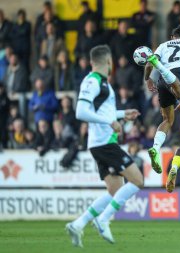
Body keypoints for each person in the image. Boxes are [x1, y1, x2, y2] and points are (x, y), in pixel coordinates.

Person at [65, 45, 142, 247]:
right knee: (137, 180)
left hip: (102, 143)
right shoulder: (93, 81)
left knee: (115, 189)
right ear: (109, 62)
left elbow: (102, 111)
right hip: (104, 143)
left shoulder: (103, 83)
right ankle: (103, 219)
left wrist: (122, 114)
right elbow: (80, 112)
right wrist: (109, 122)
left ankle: (78, 224)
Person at [144, 25, 180, 174]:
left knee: (168, 120)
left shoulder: (163, 46)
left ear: (172, 38)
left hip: (162, 82)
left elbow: (148, 64)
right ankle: (163, 70)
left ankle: (155, 147)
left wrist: (148, 79)